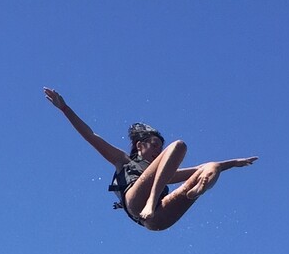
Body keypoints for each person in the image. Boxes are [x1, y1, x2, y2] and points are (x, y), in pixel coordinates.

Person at [43, 89, 257, 231]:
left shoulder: (166, 174)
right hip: (138, 205)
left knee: (212, 166)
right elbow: (90, 135)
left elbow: (201, 167)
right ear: (139, 145)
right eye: (153, 144)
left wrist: (234, 163)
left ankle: (196, 191)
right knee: (179, 145)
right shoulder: (123, 161)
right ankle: (153, 202)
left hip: (159, 220)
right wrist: (64, 108)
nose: (158, 149)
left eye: (159, 147)